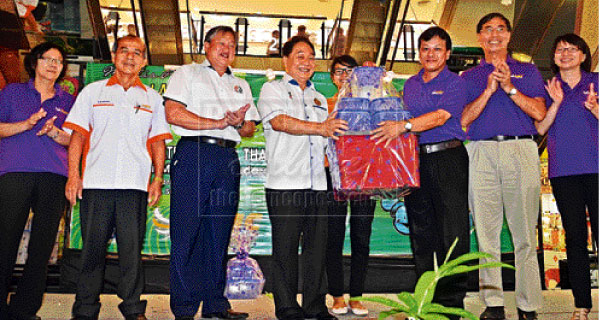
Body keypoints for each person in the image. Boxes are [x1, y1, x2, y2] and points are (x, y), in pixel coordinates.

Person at [64, 35, 171, 320]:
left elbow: (158, 141)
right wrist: (73, 175)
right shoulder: (92, 92)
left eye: (137, 52)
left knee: (131, 253)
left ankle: (134, 308)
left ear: (144, 61)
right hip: (95, 185)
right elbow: (77, 136)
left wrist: (157, 179)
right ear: (114, 56)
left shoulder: (152, 98)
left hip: (133, 187)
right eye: (124, 50)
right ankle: (85, 309)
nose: (130, 57)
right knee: (92, 251)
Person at [371, 27, 469, 319]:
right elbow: (396, 114)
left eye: (437, 49)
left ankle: (452, 305)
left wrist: (405, 126)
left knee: (453, 234)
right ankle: (425, 302)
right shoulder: (410, 84)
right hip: (415, 163)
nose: (430, 54)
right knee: (421, 232)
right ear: (418, 53)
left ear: (447, 54)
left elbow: (441, 116)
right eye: (425, 48)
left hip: (449, 158)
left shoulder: (456, 83)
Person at [163, 25, 258, 320]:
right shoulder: (186, 73)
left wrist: (238, 122)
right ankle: (184, 307)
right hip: (195, 153)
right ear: (206, 46)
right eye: (221, 43)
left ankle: (216, 304)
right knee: (186, 231)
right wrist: (216, 123)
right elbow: (173, 113)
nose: (227, 49)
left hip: (227, 158)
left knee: (219, 232)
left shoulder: (240, 84)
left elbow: (250, 128)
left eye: (232, 44)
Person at [460, 13, 547, 320]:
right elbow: (463, 122)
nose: (494, 35)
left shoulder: (528, 70)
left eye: (500, 29)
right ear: (479, 37)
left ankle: (528, 305)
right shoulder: (468, 78)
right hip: (481, 152)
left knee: (524, 234)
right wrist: (487, 91)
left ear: (509, 36)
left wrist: (510, 87)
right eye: (487, 30)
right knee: (487, 233)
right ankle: (493, 303)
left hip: (520, 149)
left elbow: (539, 113)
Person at [257, 36, 347, 320]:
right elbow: (279, 122)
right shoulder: (272, 90)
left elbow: (330, 140)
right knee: (284, 249)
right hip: (285, 184)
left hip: (318, 185)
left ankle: (315, 305)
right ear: (285, 60)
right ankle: (286, 306)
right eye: (299, 56)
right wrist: (321, 128)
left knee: (316, 249)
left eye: (310, 57)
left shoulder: (319, 98)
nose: (306, 62)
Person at [0, 42, 73, 320]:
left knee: (42, 248)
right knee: (5, 242)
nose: (53, 64)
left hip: (54, 177)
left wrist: (54, 132)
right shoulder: (13, 92)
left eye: (58, 61)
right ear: (35, 62)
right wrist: (25, 125)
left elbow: (76, 139)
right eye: (48, 59)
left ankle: (24, 310)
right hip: (14, 174)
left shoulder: (67, 100)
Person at [534, 33, 598, 320]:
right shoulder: (548, 87)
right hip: (563, 172)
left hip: (596, 168)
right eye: (561, 49)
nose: (566, 53)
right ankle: (581, 305)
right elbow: (540, 127)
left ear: (583, 55)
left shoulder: (596, 82)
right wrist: (556, 102)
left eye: (573, 49)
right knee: (574, 238)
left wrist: (596, 110)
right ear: (554, 57)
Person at [325, 55, 375, 316]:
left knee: (361, 235)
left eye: (350, 72)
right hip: (332, 175)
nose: (344, 76)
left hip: (364, 176)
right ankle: (336, 295)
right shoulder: (326, 104)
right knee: (333, 234)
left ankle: (356, 295)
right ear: (332, 77)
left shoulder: (370, 105)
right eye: (339, 71)